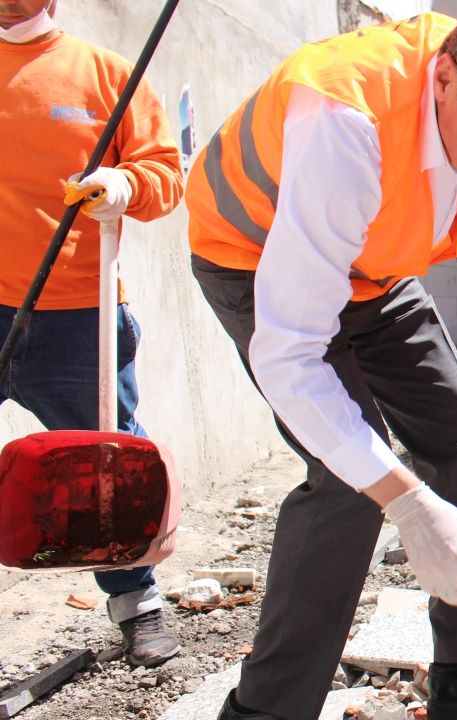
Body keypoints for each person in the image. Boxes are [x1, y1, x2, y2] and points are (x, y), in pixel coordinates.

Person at [182, 3, 457, 717]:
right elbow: (291, 357)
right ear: (446, 78)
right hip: (257, 258)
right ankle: (267, 710)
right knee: (348, 482)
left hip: (375, 273)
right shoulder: (344, 122)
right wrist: (406, 503)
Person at [0, 0, 183, 668]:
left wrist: (125, 183)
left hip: (80, 315)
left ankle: (137, 603)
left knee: (109, 466)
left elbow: (166, 176)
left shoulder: (106, 75)